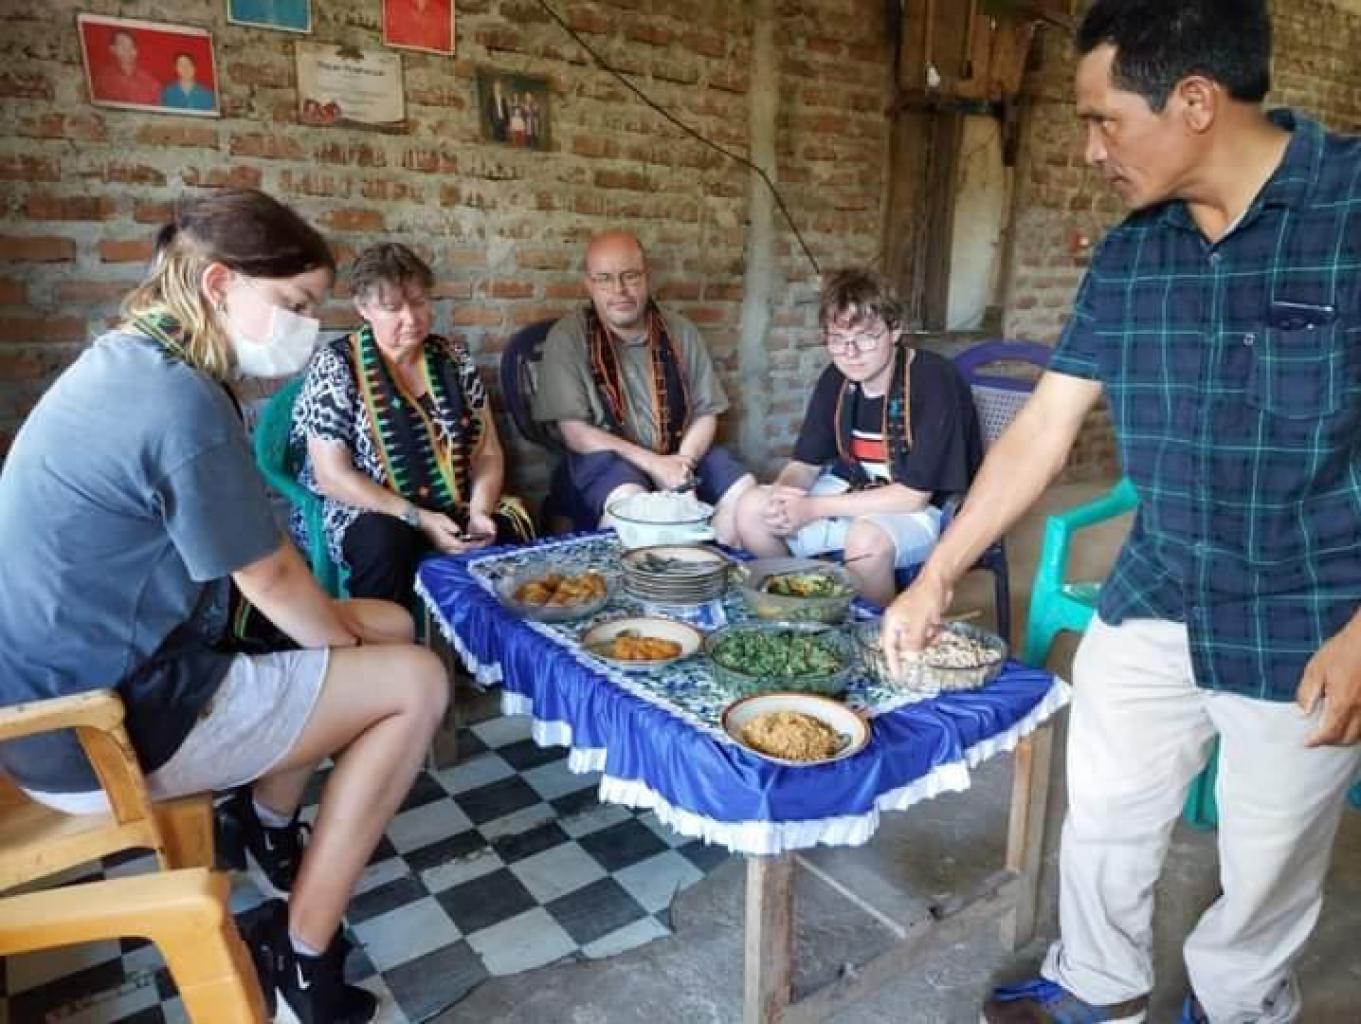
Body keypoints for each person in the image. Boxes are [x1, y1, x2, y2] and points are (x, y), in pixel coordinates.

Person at [879, 3, 1361, 1022]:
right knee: (1102, 808)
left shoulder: (1350, 212)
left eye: (1103, 120)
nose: (1091, 149)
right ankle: (1101, 984)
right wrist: (935, 574)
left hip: (1311, 610)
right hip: (1156, 583)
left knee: (1269, 857)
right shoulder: (1132, 252)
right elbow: (1040, 430)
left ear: (1193, 101)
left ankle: (1237, 1004)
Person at [0, 189, 448, 1024]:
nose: (307, 327)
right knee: (416, 680)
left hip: (60, 689)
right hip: (92, 727)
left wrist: (352, 643)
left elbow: (259, 566)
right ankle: (302, 959)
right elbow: (267, 579)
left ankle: (265, 820)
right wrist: (358, 659)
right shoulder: (177, 401)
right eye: (295, 305)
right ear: (218, 284)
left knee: (385, 626)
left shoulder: (131, 358)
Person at [292, 243, 534, 605]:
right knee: (385, 542)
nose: (411, 317)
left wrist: (480, 511)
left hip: (455, 500)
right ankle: (386, 638)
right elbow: (333, 476)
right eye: (392, 308)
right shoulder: (337, 365)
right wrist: (418, 518)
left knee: (508, 533)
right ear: (363, 308)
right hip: (369, 508)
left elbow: (487, 451)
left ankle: (486, 639)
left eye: (419, 302)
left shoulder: (454, 359)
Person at [733, 269, 981, 606]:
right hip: (853, 490)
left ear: (895, 330)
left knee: (865, 542)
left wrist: (812, 509)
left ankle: (871, 629)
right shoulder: (836, 378)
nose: (851, 353)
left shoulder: (933, 379)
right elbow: (805, 464)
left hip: (925, 509)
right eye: (837, 339)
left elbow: (914, 497)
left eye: (865, 337)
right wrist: (785, 496)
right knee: (752, 508)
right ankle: (803, 608)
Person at [532, 231, 755, 541]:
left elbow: (707, 413)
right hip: (607, 459)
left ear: (647, 277)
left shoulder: (680, 331)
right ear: (588, 285)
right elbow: (576, 434)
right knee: (633, 511)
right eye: (604, 279)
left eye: (630, 276)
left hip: (682, 451)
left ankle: (714, 566)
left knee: (745, 495)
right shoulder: (568, 337)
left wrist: (683, 464)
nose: (619, 290)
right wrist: (655, 466)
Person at [92, 28, 160, 107]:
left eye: (130, 46)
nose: (127, 50)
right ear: (112, 49)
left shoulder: (150, 84)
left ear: (135, 51)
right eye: (122, 45)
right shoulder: (103, 80)